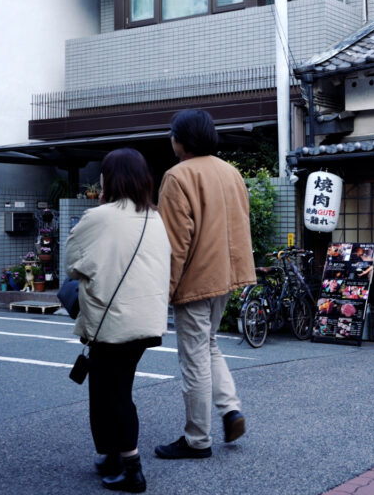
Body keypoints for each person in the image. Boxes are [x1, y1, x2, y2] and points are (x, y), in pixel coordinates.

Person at [64, 148, 171, 493]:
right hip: (147, 320)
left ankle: (132, 468)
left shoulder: (99, 217)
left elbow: (72, 264)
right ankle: (107, 454)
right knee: (105, 387)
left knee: (115, 394)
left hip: (112, 323)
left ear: (110, 179)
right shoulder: (155, 217)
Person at [156, 108, 256, 460]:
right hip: (227, 276)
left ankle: (197, 438)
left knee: (194, 357)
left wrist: (163, 293)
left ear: (180, 140)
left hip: (196, 279)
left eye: (172, 133)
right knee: (208, 345)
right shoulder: (231, 173)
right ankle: (230, 409)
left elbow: (174, 244)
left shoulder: (177, 176)